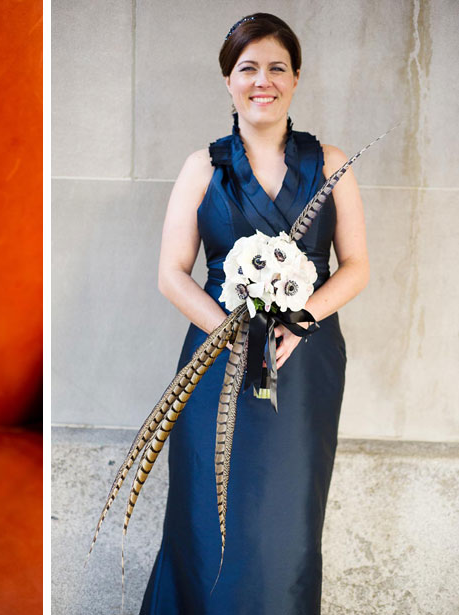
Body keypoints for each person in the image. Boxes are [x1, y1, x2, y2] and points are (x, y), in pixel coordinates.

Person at [139, 13, 369, 614]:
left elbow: (357, 266)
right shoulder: (201, 167)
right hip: (217, 361)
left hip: (305, 362)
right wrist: (235, 332)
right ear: (227, 80)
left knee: (285, 524)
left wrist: (300, 319)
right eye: (248, 68)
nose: (261, 80)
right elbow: (171, 273)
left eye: (276, 68)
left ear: (295, 78)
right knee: (207, 523)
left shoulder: (333, 162)